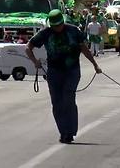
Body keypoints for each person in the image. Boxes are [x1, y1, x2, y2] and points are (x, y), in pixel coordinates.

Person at [25, 9, 102, 144]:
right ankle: (63, 132)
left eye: (59, 25)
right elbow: (28, 47)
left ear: (63, 22)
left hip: (72, 71)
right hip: (54, 72)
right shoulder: (45, 33)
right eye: (55, 26)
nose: (58, 28)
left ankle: (70, 131)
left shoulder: (73, 31)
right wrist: (35, 61)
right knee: (57, 103)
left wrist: (95, 64)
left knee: (68, 98)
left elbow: (84, 48)